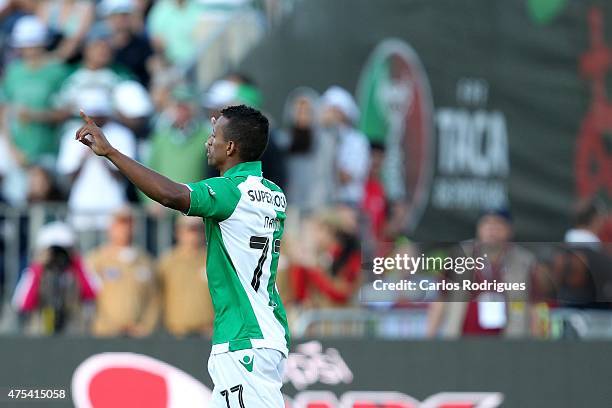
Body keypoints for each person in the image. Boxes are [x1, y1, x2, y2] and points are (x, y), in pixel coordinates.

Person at [75, 104, 290, 407]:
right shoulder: (273, 193)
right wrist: (227, 130)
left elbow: (171, 195)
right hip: (264, 332)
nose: (208, 140)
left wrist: (112, 153)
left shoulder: (232, 193)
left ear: (230, 147)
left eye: (213, 135)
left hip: (245, 337)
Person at [57, 89, 136, 232]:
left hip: (113, 203)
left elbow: (124, 175)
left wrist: (105, 154)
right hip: (81, 206)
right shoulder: (71, 134)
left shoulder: (122, 134)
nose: (94, 119)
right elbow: (68, 177)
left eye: (98, 115)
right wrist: (85, 155)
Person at [12, 221, 97, 335]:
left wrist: (75, 263)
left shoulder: (77, 270)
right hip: (42, 330)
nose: (58, 256)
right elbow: (23, 303)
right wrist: (39, 267)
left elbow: (91, 293)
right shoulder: (34, 272)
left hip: (72, 330)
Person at [87, 207, 159, 337]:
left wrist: (146, 326)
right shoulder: (96, 260)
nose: (124, 229)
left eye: (128, 223)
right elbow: (89, 298)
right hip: (106, 334)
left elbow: (154, 299)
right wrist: (101, 326)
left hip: (137, 334)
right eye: (120, 224)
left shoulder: (145, 261)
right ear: (111, 227)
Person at [158, 216, 213, 337]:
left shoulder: (212, 260)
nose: (193, 234)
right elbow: (158, 295)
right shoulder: (168, 261)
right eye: (189, 229)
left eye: (197, 229)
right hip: (176, 332)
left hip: (207, 331)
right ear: (178, 232)